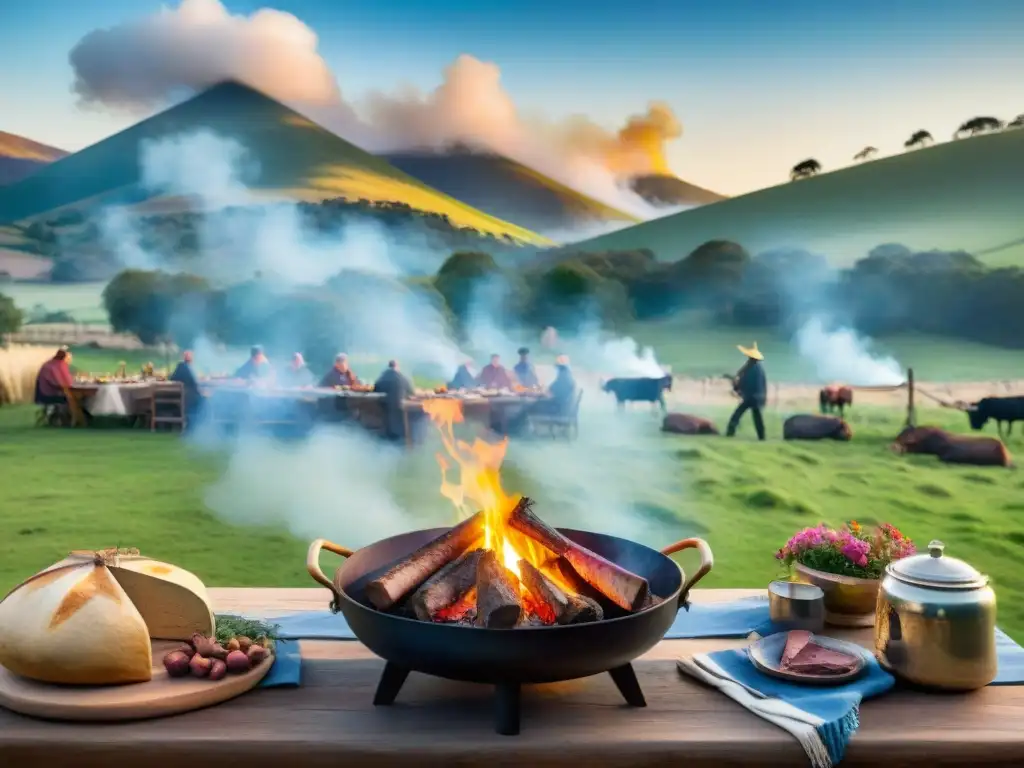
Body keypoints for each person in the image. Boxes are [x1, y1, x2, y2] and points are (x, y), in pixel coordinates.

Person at [725, 342, 767, 441]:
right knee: (757, 418)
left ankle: (730, 432)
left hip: (751, 397)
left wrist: (737, 387)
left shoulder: (751, 369)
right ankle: (762, 437)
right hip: (757, 397)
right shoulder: (757, 368)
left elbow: (745, 382)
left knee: (737, 415)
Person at [373, 360, 414, 441]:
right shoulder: (403, 377)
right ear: (397, 367)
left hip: (386, 409)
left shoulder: (383, 377)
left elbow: (375, 389)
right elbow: (411, 391)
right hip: (400, 409)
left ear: (389, 367)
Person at [169, 350, 204, 424]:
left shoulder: (181, 366)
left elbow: (172, 378)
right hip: (189, 398)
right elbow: (194, 383)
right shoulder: (187, 368)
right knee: (205, 399)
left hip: (180, 396)